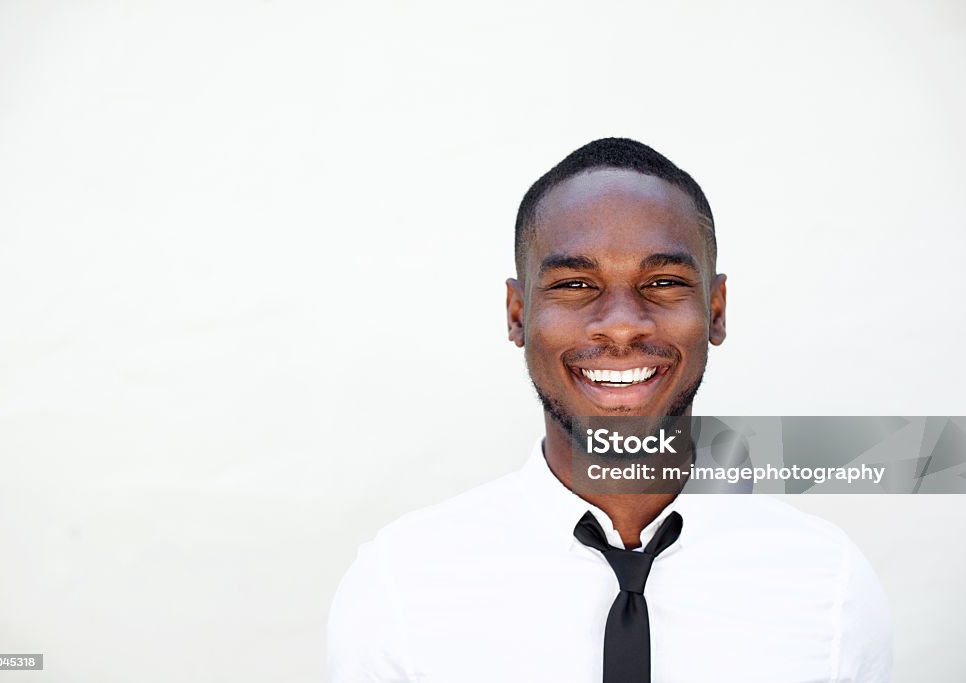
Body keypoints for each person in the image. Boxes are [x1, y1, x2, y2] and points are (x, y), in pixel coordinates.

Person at [326, 138, 892, 682]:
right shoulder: (400, 586)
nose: (622, 323)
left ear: (715, 311)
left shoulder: (829, 585)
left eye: (664, 282)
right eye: (575, 284)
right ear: (517, 314)